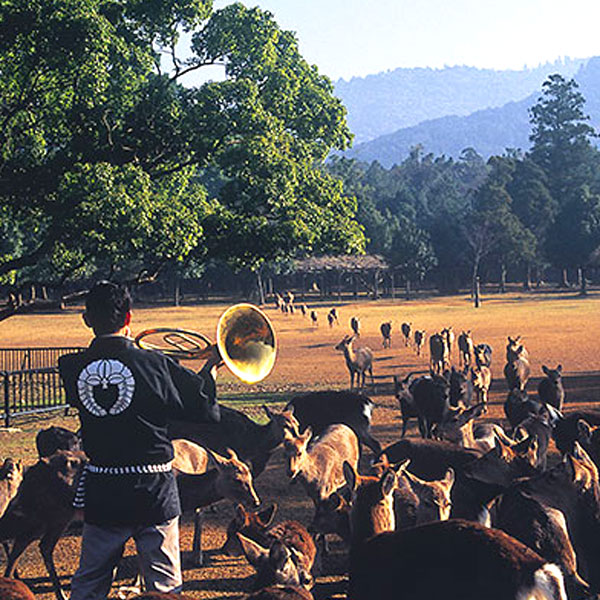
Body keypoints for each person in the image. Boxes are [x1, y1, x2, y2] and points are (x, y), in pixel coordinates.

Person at [58, 281, 221, 599]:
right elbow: (203, 409)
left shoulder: (71, 367)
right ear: (129, 317)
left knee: (89, 583)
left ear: (87, 319)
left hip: (103, 490)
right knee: (164, 586)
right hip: (154, 490)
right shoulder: (156, 363)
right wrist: (211, 366)